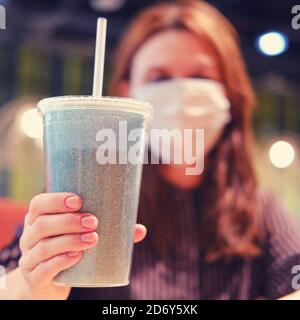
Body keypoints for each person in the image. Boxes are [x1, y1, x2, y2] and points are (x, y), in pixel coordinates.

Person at [1, 0, 300, 300]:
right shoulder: (89, 191)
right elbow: (8, 280)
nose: (181, 93)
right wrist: (34, 284)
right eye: (160, 78)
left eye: (200, 77)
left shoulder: (259, 210)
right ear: (129, 95)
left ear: (229, 96)